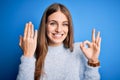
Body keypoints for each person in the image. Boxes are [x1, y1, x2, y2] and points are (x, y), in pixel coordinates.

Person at [17, 3, 101, 80]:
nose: (59, 29)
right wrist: (27, 56)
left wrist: (93, 61)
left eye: (64, 24)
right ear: (45, 25)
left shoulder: (79, 50)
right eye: (53, 23)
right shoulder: (32, 52)